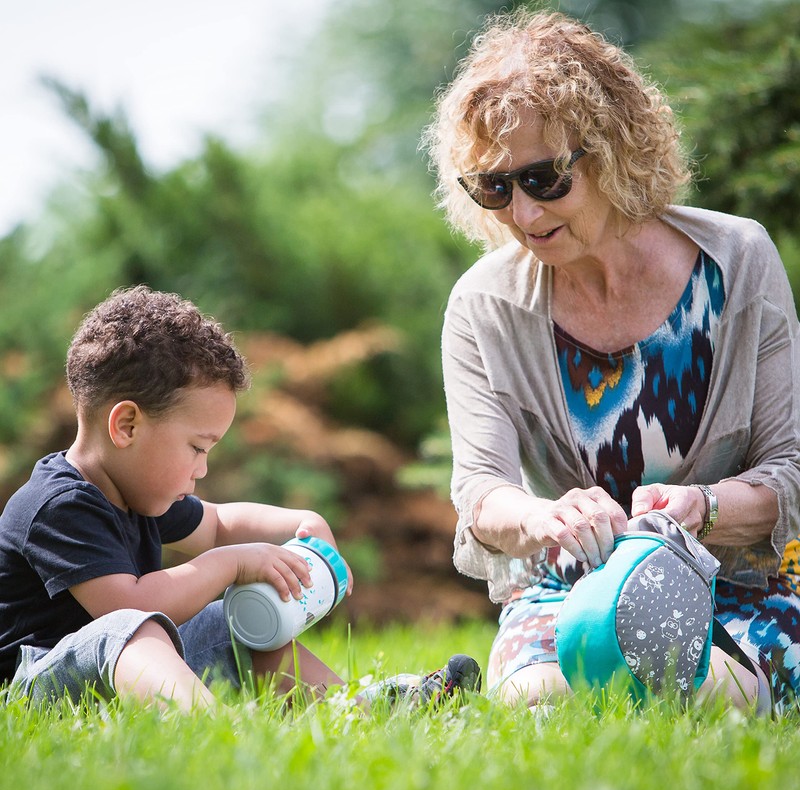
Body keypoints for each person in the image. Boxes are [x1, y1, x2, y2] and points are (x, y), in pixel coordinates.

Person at [424, 9, 800, 712]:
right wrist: (543, 520)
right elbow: (480, 491)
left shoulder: (740, 261)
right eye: (494, 188)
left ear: (613, 150)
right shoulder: (483, 305)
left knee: (712, 695)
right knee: (538, 698)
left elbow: (792, 474)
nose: (524, 215)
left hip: (736, 588)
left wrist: (704, 508)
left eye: (544, 180)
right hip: (574, 594)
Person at [0, 286, 480, 711]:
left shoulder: (136, 492)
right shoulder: (57, 504)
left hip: (123, 666)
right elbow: (126, 604)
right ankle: (210, 728)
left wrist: (298, 523)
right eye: (196, 447)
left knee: (235, 623)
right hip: (36, 682)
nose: (202, 468)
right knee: (131, 627)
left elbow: (219, 524)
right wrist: (228, 565)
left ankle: (348, 711)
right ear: (127, 425)